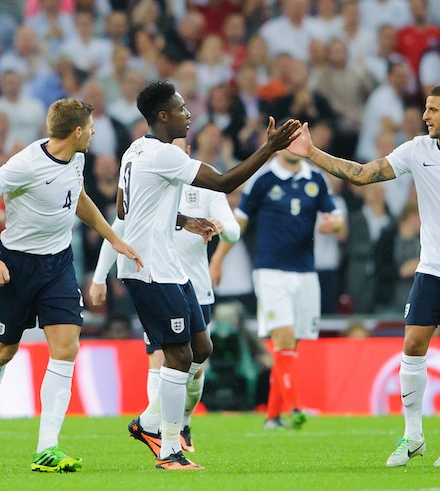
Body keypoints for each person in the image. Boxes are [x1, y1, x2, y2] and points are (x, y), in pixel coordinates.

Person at [285, 83, 440, 467]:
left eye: (433, 110)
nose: (425, 116)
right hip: (434, 269)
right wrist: (310, 153)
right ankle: (413, 435)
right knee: (412, 344)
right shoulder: (417, 150)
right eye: (425, 109)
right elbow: (361, 174)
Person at [117, 81, 299, 470]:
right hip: (148, 268)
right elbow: (223, 182)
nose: (189, 114)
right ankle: (168, 447)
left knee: (202, 348)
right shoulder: (164, 155)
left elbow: (123, 207)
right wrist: (270, 148)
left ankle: (147, 423)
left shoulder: (135, 150)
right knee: (179, 353)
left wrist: (180, 219)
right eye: (182, 109)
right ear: (163, 116)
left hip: (168, 265)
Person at [0, 98, 142, 473]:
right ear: (77, 131)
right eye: (91, 127)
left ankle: (47, 447)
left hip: (58, 265)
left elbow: (76, 198)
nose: (94, 132)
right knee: (3, 351)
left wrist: (112, 237)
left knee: (66, 347)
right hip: (16, 266)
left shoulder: (76, 159)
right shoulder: (24, 165)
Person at [89, 177, 240, 453]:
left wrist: (221, 227)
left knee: (195, 367)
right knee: (160, 357)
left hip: (196, 287)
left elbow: (234, 231)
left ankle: (182, 422)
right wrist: (99, 277)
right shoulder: (151, 184)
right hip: (157, 282)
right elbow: (118, 230)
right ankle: (159, 430)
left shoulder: (205, 189)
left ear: (188, 153)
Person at [209, 147, 343, 430]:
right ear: (281, 146)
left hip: (306, 272)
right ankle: (294, 408)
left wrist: (335, 224)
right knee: (283, 338)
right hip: (270, 271)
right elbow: (239, 223)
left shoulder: (315, 179)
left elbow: (336, 216)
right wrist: (217, 260)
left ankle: (273, 416)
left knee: (290, 348)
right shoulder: (264, 180)